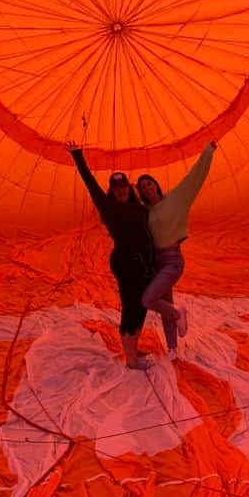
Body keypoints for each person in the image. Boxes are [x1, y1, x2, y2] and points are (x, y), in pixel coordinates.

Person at [66, 141, 154, 370]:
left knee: (143, 304)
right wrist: (77, 155)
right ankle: (131, 359)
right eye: (117, 189)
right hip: (126, 264)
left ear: (128, 187)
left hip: (145, 264)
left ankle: (134, 346)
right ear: (112, 191)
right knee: (130, 306)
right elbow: (89, 181)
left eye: (124, 187)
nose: (121, 191)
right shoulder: (108, 206)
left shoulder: (138, 206)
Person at [137, 141, 217, 359]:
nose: (147, 188)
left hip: (172, 261)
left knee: (148, 300)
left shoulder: (175, 198)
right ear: (141, 193)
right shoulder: (144, 211)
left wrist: (208, 151)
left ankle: (178, 314)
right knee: (165, 303)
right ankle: (172, 349)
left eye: (149, 184)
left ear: (156, 184)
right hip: (156, 262)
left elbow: (194, 178)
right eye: (142, 187)